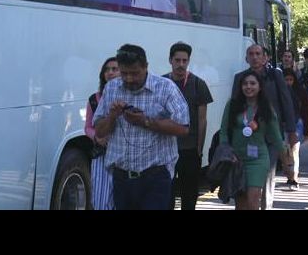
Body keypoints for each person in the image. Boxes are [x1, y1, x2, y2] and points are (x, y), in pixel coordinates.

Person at [93, 44, 190, 210]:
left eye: (135, 73)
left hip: (155, 176)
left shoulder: (165, 87)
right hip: (121, 177)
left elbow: (183, 128)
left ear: (146, 67)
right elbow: (100, 131)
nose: (129, 78)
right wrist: (112, 116)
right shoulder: (112, 88)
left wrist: (145, 121)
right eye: (124, 73)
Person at [231, 44, 297, 210]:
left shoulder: (275, 76)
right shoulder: (240, 78)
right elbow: (234, 108)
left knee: (267, 176)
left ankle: (266, 207)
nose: (255, 57)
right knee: (246, 178)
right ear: (246, 58)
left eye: (258, 54)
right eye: (251, 54)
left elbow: (286, 102)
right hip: (248, 138)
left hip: (271, 137)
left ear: (265, 57)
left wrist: (291, 131)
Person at [220, 69, 286, 209]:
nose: (248, 87)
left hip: (258, 161)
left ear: (259, 86)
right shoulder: (232, 104)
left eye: (252, 83)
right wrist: (226, 152)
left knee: (253, 201)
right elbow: (224, 132)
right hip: (236, 161)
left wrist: (287, 161)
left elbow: (276, 136)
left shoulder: (266, 108)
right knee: (241, 204)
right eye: (245, 84)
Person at [163, 41, 213, 210]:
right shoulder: (161, 83)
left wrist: (199, 149)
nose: (181, 64)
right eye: (177, 60)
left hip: (189, 150)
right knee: (165, 197)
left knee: (189, 197)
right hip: (165, 150)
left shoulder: (199, 84)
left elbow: (202, 120)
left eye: (185, 61)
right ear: (170, 60)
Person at [85, 57, 120, 210]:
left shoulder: (128, 97)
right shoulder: (94, 99)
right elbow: (87, 127)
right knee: (100, 200)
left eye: (114, 69)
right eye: (107, 69)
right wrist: (97, 137)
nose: (110, 73)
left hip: (121, 156)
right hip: (102, 156)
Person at [283, 67, 308, 190]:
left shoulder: (300, 91)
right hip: (283, 124)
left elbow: (305, 109)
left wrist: (307, 128)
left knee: (294, 151)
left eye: (291, 79)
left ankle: (294, 178)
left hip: (296, 123)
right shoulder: (280, 93)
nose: (288, 82)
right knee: (285, 152)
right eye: (286, 79)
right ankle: (289, 176)